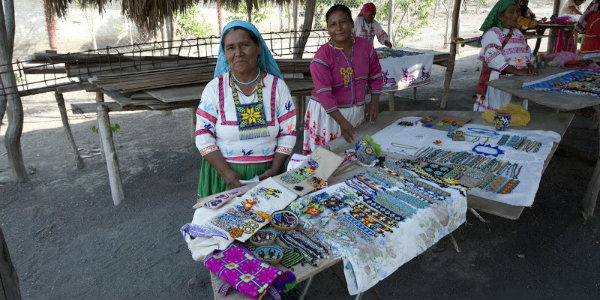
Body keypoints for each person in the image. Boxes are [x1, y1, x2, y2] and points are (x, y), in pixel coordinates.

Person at [195, 20, 297, 197]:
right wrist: (226, 173)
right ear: (224, 53)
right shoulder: (215, 88)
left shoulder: (277, 87)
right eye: (230, 48)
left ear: (258, 47)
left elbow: (288, 132)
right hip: (224, 177)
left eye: (244, 45)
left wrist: (275, 168)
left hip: (268, 175)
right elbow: (203, 136)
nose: (238, 53)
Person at [303, 4, 383, 154]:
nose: (338, 28)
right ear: (328, 29)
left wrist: (374, 101)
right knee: (326, 162)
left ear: (352, 24)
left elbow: (376, 74)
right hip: (328, 115)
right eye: (333, 24)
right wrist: (342, 122)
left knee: (353, 157)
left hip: (356, 110)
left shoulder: (365, 47)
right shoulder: (322, 56)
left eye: (343, 22)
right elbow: (324, 94)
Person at [473, 0, 538, 112]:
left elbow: (526, 52)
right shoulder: (493, 33)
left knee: (515, 113)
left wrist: (530, 65)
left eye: (517, 12)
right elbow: (493, 58)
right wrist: (517, 71)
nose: (515, 15)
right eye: (511, 12)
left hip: (517, 81)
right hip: (499, 81)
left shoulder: (518, 33)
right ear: (500, 15)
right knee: (499, 113)